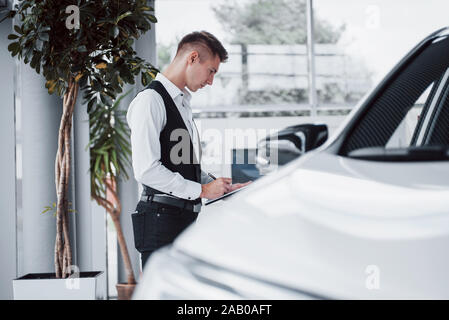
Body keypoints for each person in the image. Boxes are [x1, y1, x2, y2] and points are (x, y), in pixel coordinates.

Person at [127, 31, 250, 268]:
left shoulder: (180, 103)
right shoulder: (150, 101)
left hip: (180, 218)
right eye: (211, 71)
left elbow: (183, 162)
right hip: (160, 221)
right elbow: (147, 170)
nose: (211, 81)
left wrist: (222, 187)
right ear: (193, 58)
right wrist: (203, 189)